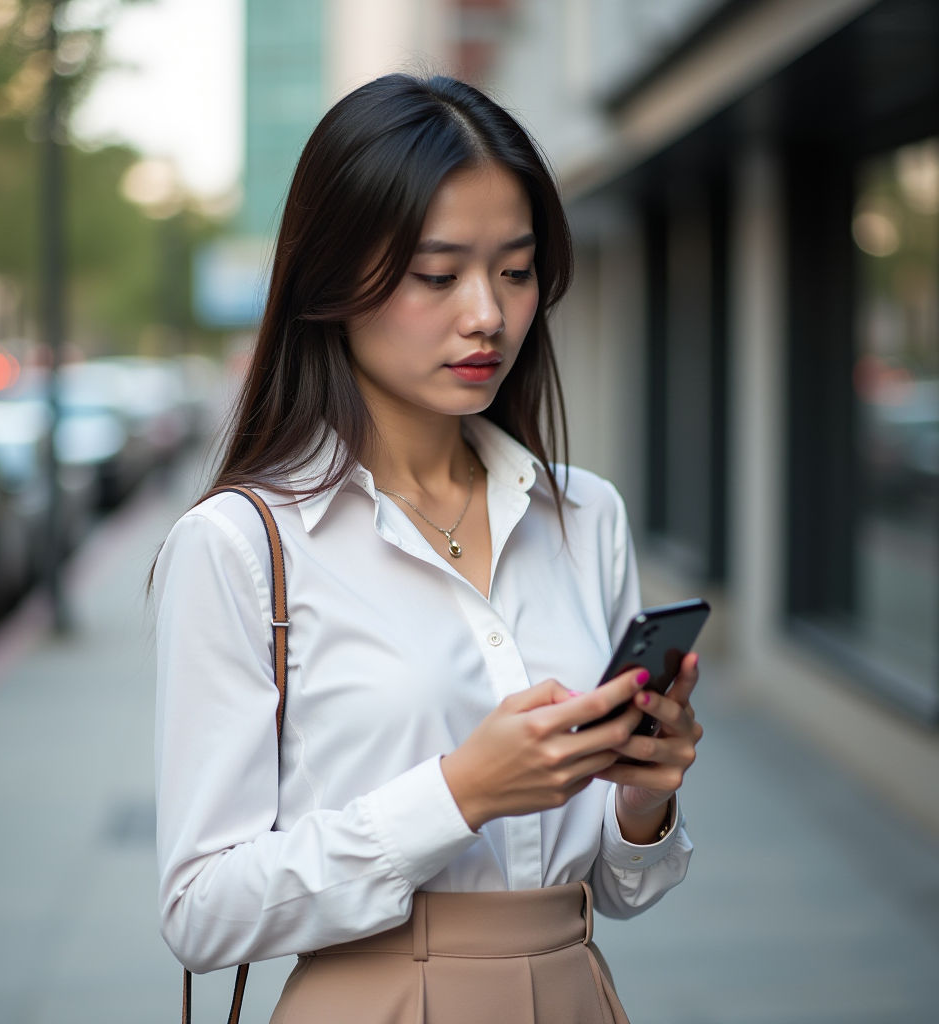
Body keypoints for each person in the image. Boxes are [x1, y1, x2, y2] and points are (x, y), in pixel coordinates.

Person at [153, 74, 702, 1024]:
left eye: (517, 271)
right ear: (332, 282)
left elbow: (623, 888)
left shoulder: (585, 516)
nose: (487, 314)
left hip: (575, 990)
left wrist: (642, 801)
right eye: (438, 275)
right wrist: (459, 793)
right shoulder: (243, 545)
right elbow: (201, 910)